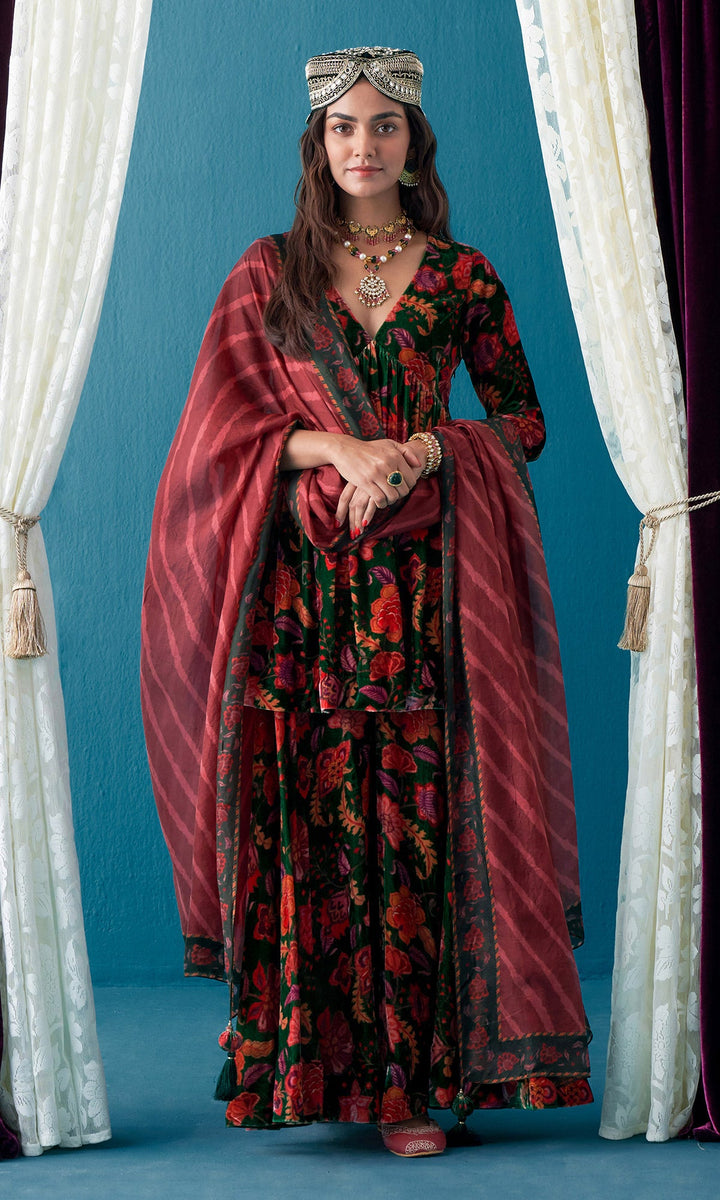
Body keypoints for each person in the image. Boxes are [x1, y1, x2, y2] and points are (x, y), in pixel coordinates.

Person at [141, 46, 592, 1158]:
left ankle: (407, 1093)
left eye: (384, 125)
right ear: (317, 144)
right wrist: (340, 446)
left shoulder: (464, 277)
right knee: (316, 828)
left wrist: (429, 450)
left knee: (415, 828)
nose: (364, 145)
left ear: (414, 141)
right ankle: (308, 1074)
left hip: (427, 600)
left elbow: (523, 423)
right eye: (343, 127)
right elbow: (220, 436)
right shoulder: (270, 273)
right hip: (303, 605)